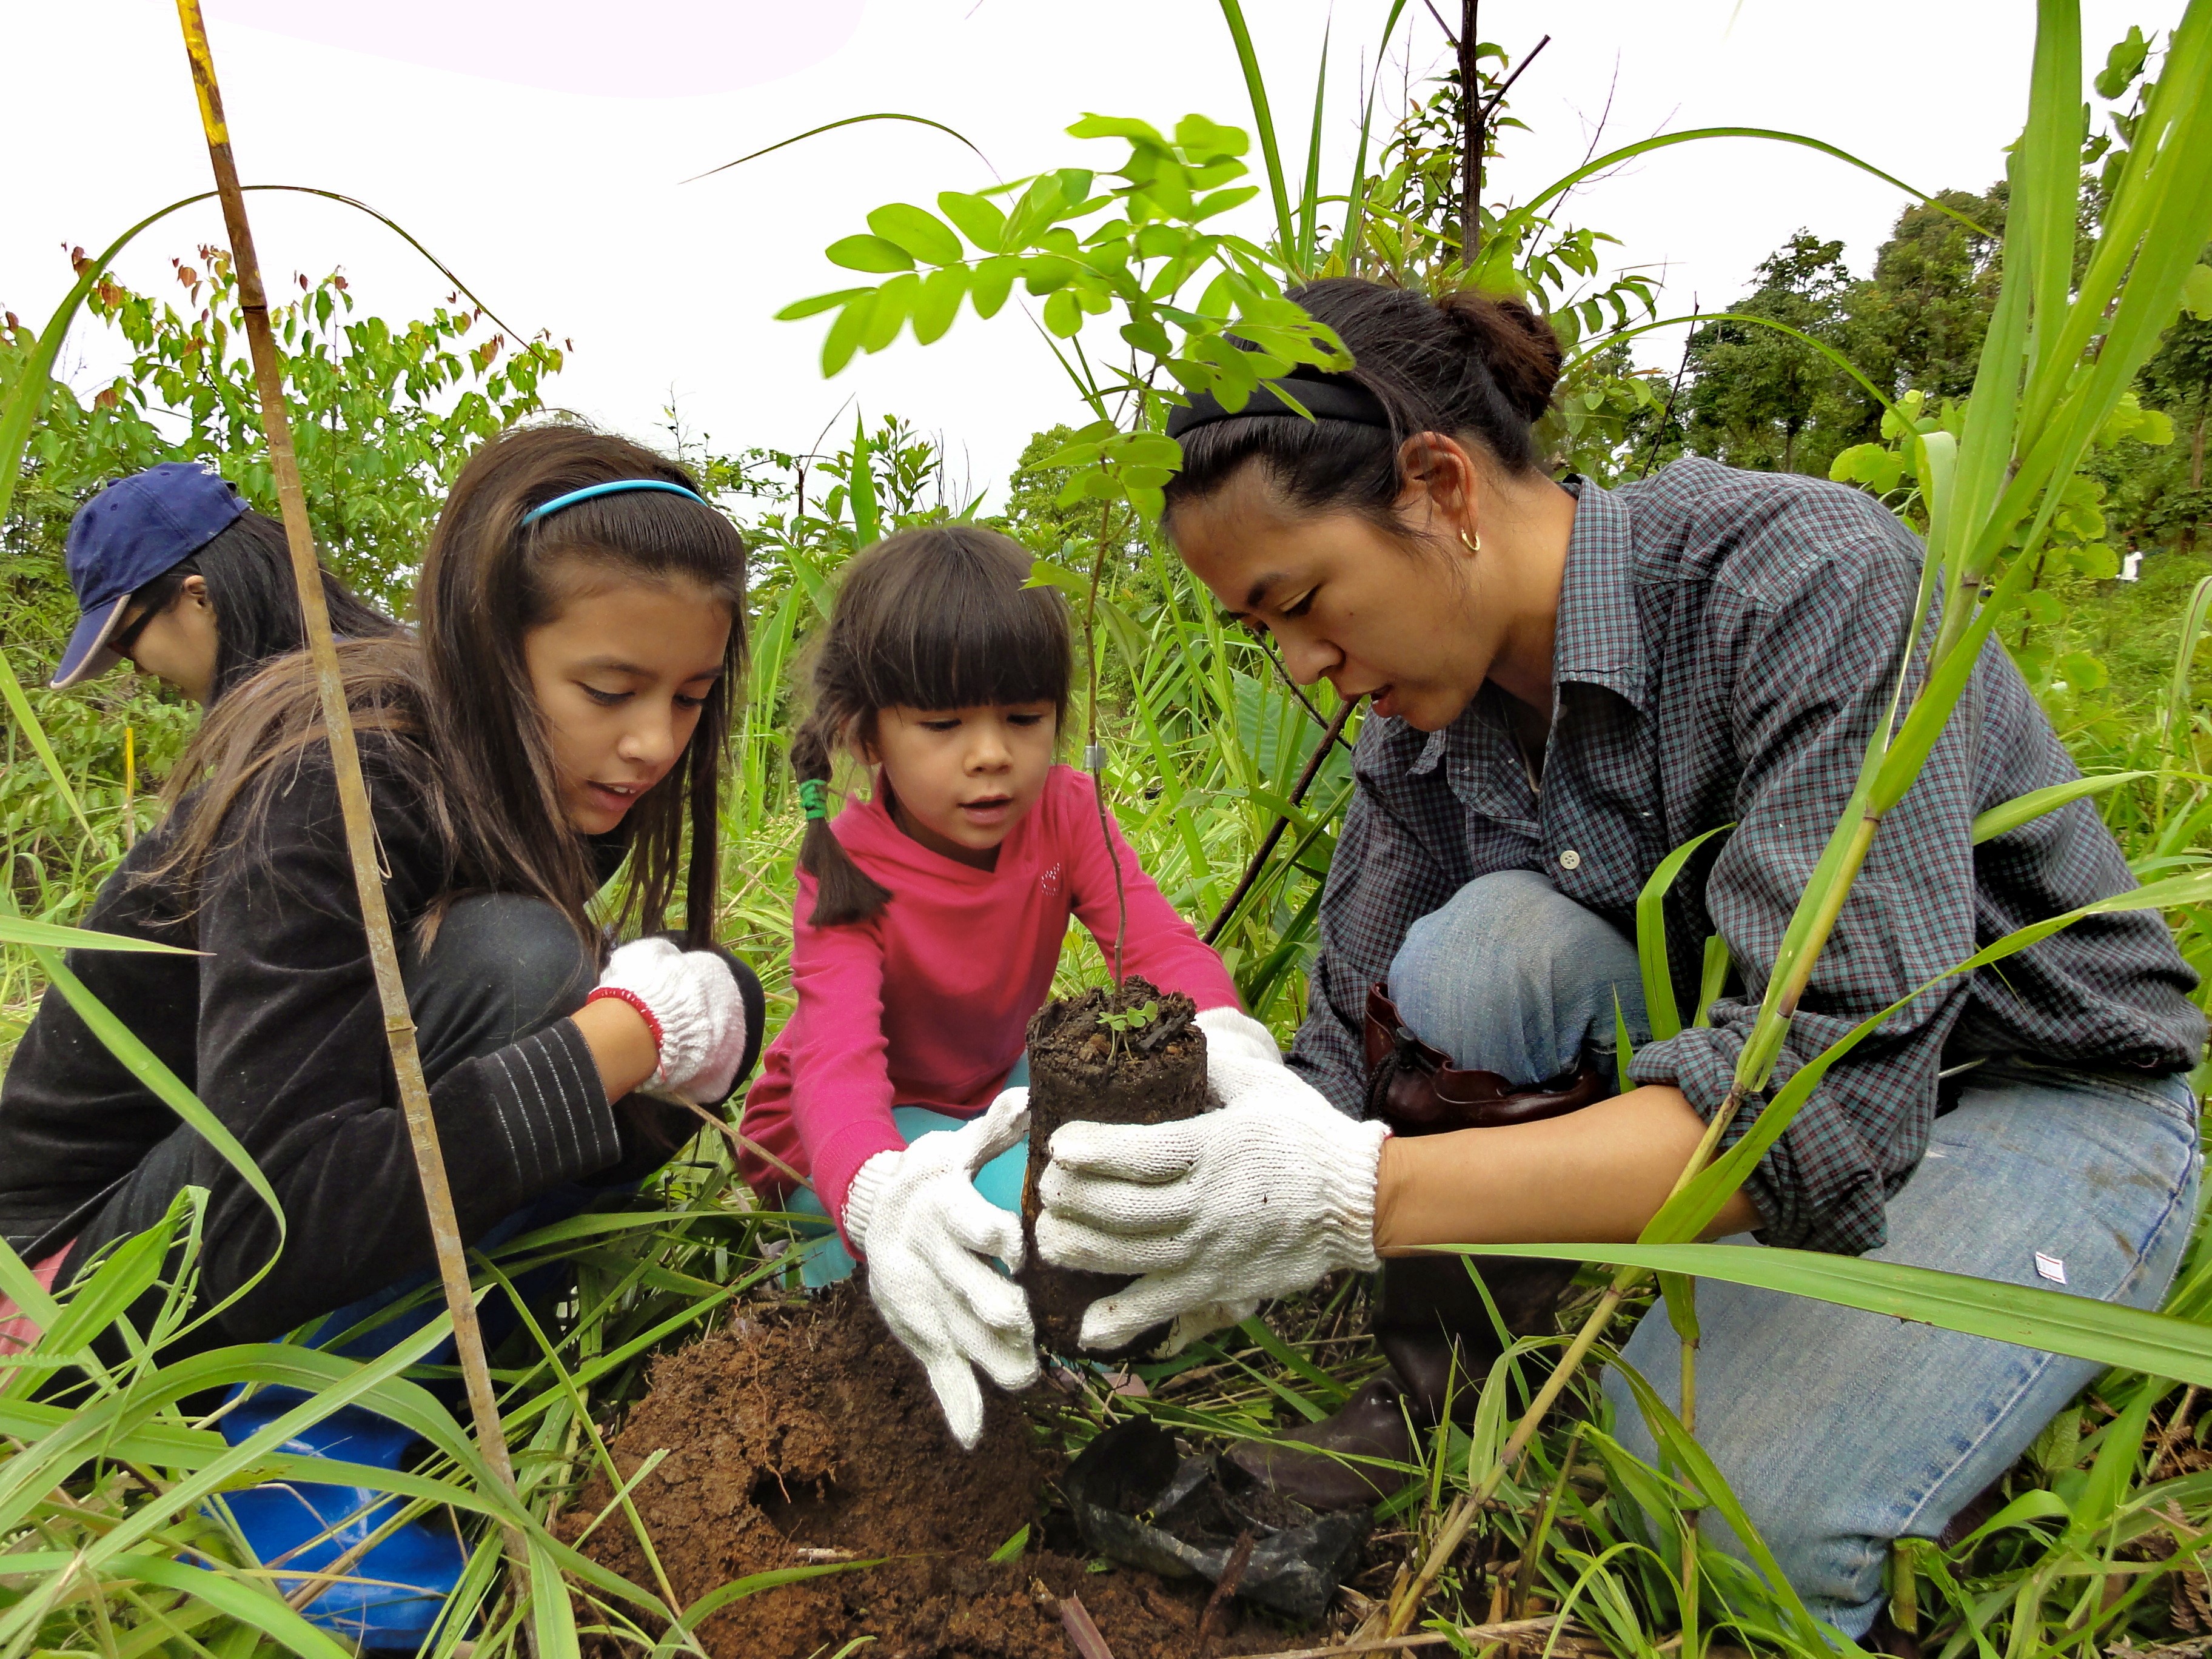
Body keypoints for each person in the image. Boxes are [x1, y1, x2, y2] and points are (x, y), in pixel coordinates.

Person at [1030, 277, 2207, 1637]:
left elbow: (1824, 1104)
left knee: (1700, 1495)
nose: (1303, 664)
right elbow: (1338, 1054)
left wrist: (1361, 1195)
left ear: (1439, 486)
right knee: (1480, 958)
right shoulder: (1426, 717)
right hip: (1739, 1074)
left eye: (1301, 602)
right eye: (1263, 633)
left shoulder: (1799, 583)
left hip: (2023, 1091)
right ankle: (1451, 1390)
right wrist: (1096, 1162)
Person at [0, 424, 763, 1641]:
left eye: (689, 699)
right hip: (70, 1287)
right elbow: (269, 1201)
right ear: (487, 651)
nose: (655, 745)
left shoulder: (527, 775)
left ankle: (456, 1406)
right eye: (609, 693)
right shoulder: (334, 776)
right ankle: (296, 1436)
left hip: (237, 1208)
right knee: (527, 972)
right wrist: (618, 1043)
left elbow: (544, 1127)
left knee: (635, 993)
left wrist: (703, 1031)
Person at [737, 524, 1259, 1448]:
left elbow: (1160, 951)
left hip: (983, 1092)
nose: (991, 755)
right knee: (1028, 1224)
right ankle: (821, 1259)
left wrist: (1243, 1067)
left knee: (1107, 1187)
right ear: (866, 733)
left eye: (1023, 719)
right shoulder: (847, 861)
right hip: (844, 1132)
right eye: (943, 726)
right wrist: (874, 1191)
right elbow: (835, 1061)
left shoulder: (1065, 811)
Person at [51, 460, 401, 706]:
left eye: (125, 643)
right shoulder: (391, 669)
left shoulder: (326, 719)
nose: (140, 669)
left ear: (201, 597)